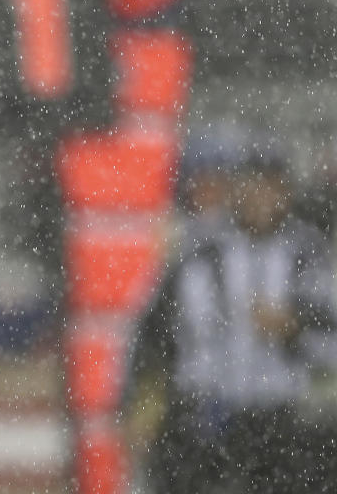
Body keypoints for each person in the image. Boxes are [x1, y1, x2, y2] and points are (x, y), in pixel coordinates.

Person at [127, 141, 337, 493]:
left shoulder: (308, 255)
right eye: (252, 185)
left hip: (281, 420)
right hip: (205, 417)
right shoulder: (198, 252)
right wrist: (142, 404)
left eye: (271, 187)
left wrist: (295, 328)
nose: (261, 198)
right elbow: (155, 332)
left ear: (286, 193)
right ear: (236, 189)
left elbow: (330, 341)